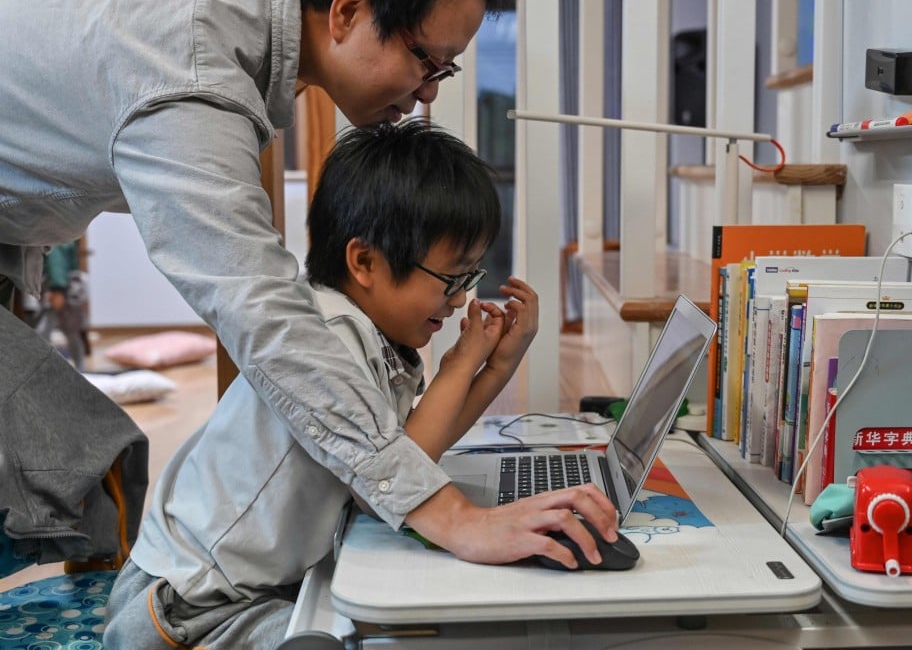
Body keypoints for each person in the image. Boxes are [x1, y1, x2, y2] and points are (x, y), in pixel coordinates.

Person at [0, 0, 617, 585]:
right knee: (65, 472)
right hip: (194, 597)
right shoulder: (189, 70)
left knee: (85, 473)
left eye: (445, 71)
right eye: (427, 59)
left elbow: (402, 448)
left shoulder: (233, 31)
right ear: (347, 10)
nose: (428, 94)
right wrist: (451, 515)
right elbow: (262, 314)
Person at [104, 120, 616, 648]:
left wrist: (495, 369)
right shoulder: (326, 335)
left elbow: (406, 460)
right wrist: (465, 363)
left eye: (471, 278)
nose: (461, 299)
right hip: (188, 607)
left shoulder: (368, 335)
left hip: (250, 588)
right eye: (452, 278)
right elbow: (396, 480)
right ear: (365, 261)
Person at [34, 240, 89, 371]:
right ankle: (81, 368)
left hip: (59, 290)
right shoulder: (66, 238)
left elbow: (56, 264)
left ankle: (42, 367)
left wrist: (57, 290)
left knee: (43, 332)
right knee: (71, 332)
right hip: (67, 289)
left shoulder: (56, 240)